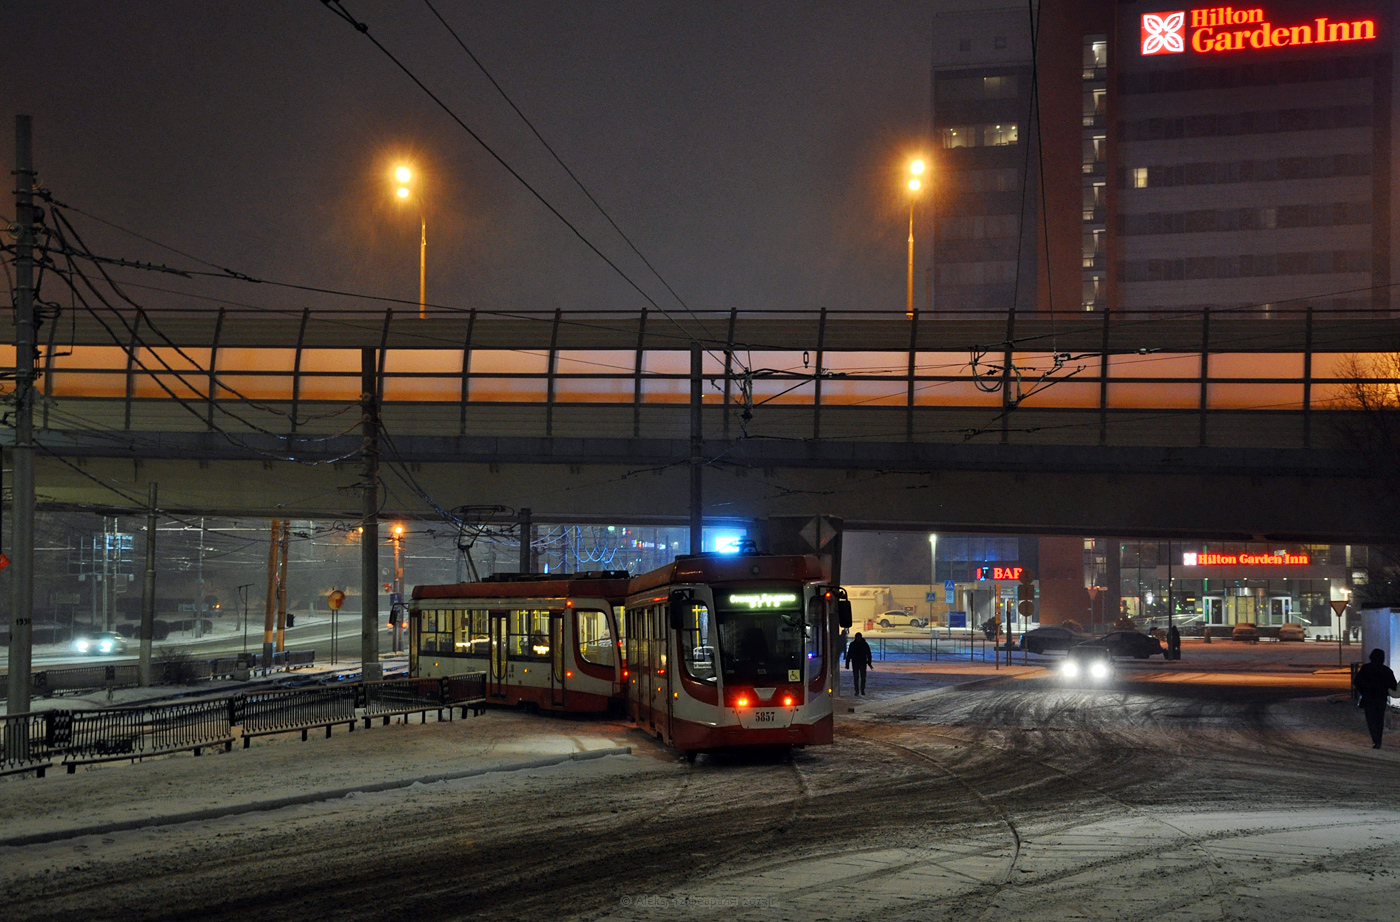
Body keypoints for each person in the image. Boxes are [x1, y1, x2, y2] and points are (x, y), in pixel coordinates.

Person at [1355, 648, 1398, 749]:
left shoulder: (1366, 669)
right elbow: (1393, 685)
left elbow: (1357, 682)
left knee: (1371, 720)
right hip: (1381, 698)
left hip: (1368, 698)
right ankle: (1378, 739)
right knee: (1379, 720)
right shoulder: (1387, 671)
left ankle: (1375, 739)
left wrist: (1363, 691)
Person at [845, 631, 873, 696]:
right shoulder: (864, 644)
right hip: (861, 662)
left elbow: (849, 654)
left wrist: (847, 663)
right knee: (859, 677)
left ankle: (859, 690)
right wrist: (869, 662)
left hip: (857, 662)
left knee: (858, 677)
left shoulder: (853, 644)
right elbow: (868, 654)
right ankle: (859, 691)